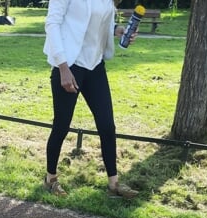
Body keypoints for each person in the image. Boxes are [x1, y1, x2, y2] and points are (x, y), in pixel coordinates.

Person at [43, 0, 138, 199]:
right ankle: (50, 178)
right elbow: (52, 24)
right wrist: (63, 67)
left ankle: (114, 184)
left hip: (95, 66)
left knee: (106, 125)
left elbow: (94, 21)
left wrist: (116, 30)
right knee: (62, 125)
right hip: (70, 64)